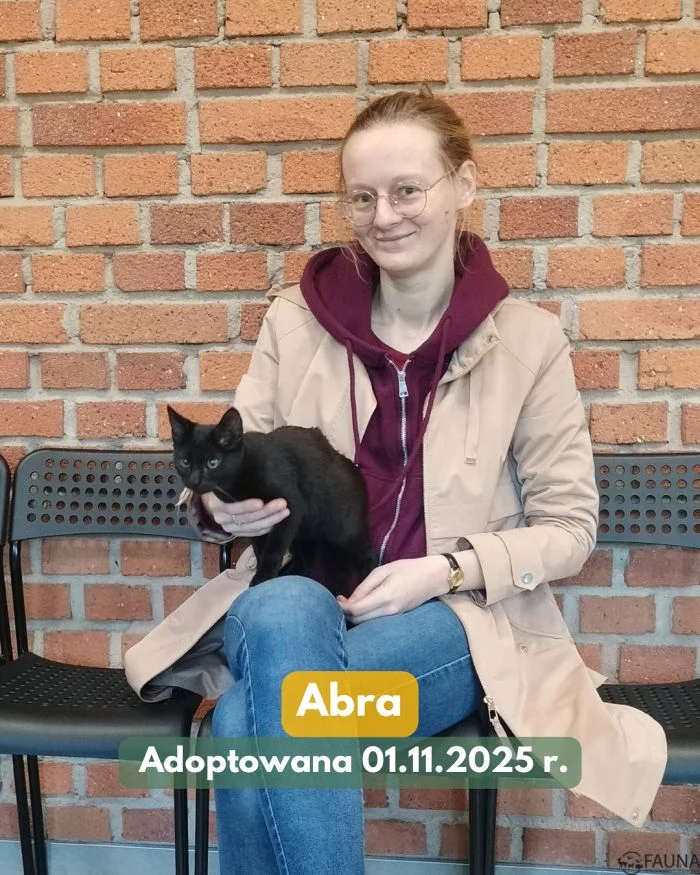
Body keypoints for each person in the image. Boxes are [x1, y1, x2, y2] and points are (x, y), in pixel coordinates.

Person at [124, 86, 667, 874]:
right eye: (363, 197)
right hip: (295, 602)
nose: (384, 216)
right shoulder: (294, 323)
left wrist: (446, 569)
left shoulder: (530, 342)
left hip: (450, 628)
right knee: (282, 615)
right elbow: (224, 465)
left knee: (248, 716)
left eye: (407, 190)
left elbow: (570, 526)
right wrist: (221, 512)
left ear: (464, 185)